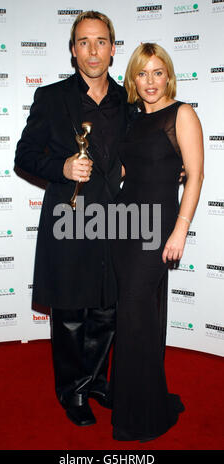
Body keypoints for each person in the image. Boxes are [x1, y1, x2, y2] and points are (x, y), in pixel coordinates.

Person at [14, 11, 129, 427]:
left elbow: (139, 156)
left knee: (107, 308)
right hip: (69, 218)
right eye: (84, 42)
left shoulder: (128, 103)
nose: (93, 50)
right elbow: (24, 156)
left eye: (101, 41)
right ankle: (72, 391)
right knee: (70, 311)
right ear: (73, 50)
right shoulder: (51, 98)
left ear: (113, 49)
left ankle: (97, 379)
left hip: (116, 221)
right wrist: (62, 168)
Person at [110, 43, 204, 442]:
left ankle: (141, 415)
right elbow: (125, 171)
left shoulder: (182, 114)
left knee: (136, 315)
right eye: (142, 73)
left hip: (158, 227)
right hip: (123, 225)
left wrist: (180, 229)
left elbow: (196, 175)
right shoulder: (131, 120)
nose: (150, 81)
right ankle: (134, 399)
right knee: (135, 318)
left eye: (157, 72)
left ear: (169, 75)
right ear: (133, 78)